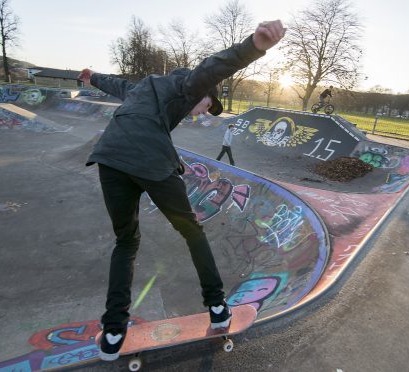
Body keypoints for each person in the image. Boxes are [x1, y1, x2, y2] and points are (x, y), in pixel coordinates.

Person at [78, 19, 286, 361]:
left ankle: (114, 330)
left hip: (110, 155)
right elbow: (212, 67)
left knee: (126, 241)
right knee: (192, 230)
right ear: (201, 94)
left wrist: (91, 76)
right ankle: (217, 306)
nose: (199, 113)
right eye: (205, 106)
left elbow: (117, 85)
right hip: (150, 159)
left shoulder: (144, 86)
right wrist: (254, 45)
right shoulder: (188, 85)